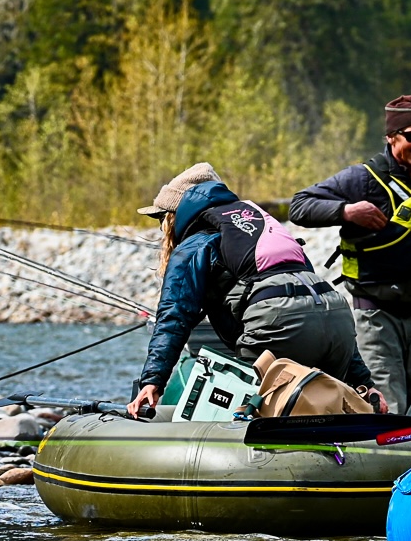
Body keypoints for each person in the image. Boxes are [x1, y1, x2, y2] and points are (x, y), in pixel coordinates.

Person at [127, 163, 372, 419]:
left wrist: (152, 381)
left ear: (174, 215)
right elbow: (314, 304)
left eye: (161, 219)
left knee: (243, 415)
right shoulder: (261, 227)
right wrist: (365, 383)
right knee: (321, 410)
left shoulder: (197, 241)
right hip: (338, 319)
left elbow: (174, 315)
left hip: (279, 323)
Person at [288, 95, 411, 414]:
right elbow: (300, 205)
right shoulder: (362, 179)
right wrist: (345, 211)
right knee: (389, 405)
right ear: (391, 138)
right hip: (377, 316)